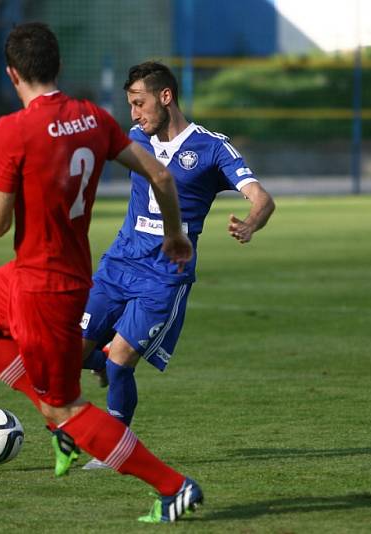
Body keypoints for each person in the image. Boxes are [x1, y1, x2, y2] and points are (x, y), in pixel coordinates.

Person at [0, 23, 202, 523]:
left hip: (44, 287)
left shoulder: (12, 129)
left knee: (66, 409)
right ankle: (54, 410)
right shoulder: (92, 118)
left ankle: (174, 486)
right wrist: (175, 234)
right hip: (44, 273)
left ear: (12, 73)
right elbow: (162, 175)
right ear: (58, 66)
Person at [74, 61, 275, 470]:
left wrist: (251, 222)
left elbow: (262, 197)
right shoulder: (134, 137)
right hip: (119, 263)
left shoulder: (212, 148)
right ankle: (106, 360)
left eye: (139, 102)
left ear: (165, 97)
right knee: (70, 353)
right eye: (130, 104)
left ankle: (113, 449)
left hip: (165, 273)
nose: (134, 113)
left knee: (121, 362)